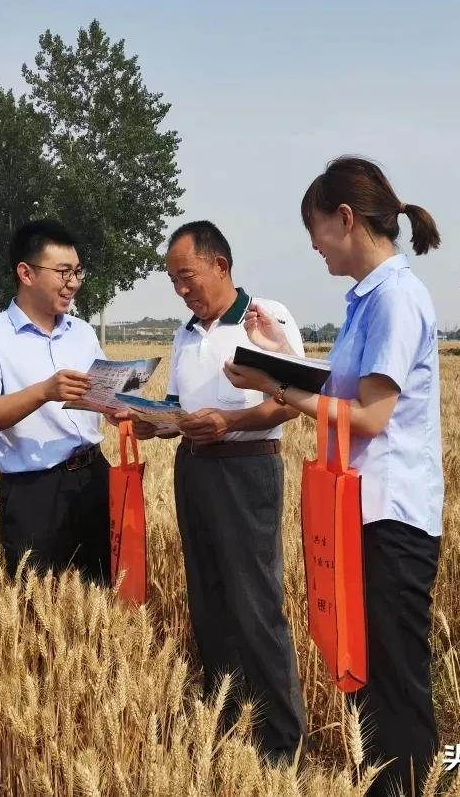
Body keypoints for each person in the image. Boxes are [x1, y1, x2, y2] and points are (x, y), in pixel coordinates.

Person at [223, 157, 444, 796]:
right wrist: (283, 357)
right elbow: (341, 386)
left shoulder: (397, 298)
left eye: (316, 229)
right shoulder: (371, 299)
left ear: (346, 218)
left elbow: (370, 416)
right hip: (359, 511)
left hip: (391, 515)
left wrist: (273, 387)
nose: (314, 245)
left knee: (394, 681)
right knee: (365, 671)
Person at [131, 220, 308, 763]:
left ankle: (283, 744)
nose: (182, 290)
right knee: (207, 600)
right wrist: (154, 423)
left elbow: (292, 400)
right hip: (195, 469)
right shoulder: (186, 333)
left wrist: (229, 424)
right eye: (174, 281)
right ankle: (227, 723)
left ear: (220, 266)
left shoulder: (267, 318)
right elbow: (183, 408)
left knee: (255, 604)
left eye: (187, 277)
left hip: (247, 471)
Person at [0, 219, 112, 584]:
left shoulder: (83, 333)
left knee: (105, 592)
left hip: (94, 477)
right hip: (34, 491)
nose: (72, 282)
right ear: (25, 272)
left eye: (77, 272)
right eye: (63, 272)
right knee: (39, 607)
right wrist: (44, 391)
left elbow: (101, 396)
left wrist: (121, 409)